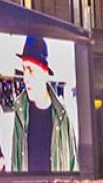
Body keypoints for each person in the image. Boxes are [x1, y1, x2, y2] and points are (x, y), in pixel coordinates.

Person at [10, 35, 79, 173]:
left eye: (30, 70)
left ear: (45, 72)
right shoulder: (20, 112)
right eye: (24, 69)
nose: (25, 78)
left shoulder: (63, 116)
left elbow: (73, 166)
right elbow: (15, 165)